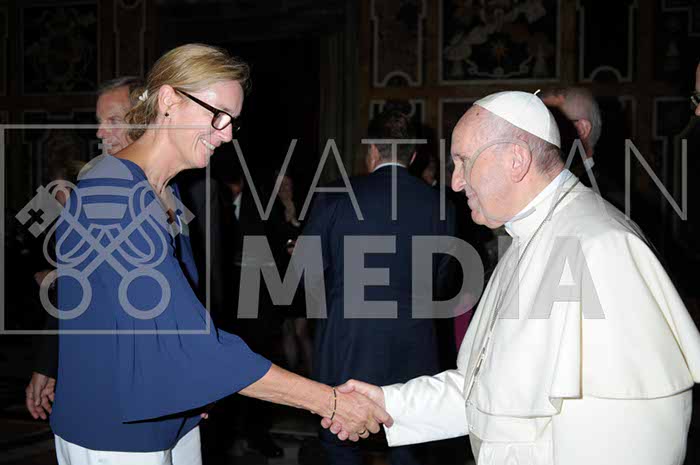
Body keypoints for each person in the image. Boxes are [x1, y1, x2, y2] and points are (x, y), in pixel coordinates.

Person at [48, 43, 390, 465]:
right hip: (116, 428)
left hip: (170, 411)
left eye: (232, 121)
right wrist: (330, 402)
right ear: (169, 100)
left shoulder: (166, 190)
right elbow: (188, 340)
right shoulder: (113, 195)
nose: (226, 134)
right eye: (217, 115)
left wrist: (198, 385)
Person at [325, 91, 700, 465]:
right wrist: (387, 403)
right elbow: (486, 390)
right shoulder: (527, 235)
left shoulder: (602, 247)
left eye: (464, 162)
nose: (455, 182)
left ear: (516, 160)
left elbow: (630, 437)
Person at [299, 110, 455, 465]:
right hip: (414, 345)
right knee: (409, 444)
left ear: (371, 150)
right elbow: (442, 282)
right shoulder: (441, 204)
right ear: (413, 156)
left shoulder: (335, 195)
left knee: (340, 442)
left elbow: (306, 275)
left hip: (347, 342)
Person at [24, 76, 143, 421]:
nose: (102, 132)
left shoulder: (101, 187)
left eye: (113, 121)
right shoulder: (42, 202)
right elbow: (26, 249)